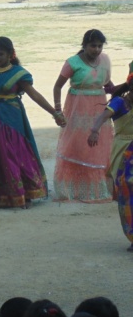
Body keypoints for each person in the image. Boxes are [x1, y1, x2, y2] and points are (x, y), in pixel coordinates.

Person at [0, 36, 66, 209]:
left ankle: (21, 195)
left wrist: (54, 112)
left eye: (0, 54)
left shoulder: (18, 73)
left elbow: (35, 95)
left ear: (10, 54)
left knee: (13, 154)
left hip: (12, 119)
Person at [53, 29, 114, 203]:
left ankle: (99, 188)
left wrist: (119, 96)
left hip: (99, 108)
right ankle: (74, 189)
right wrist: (58, 110)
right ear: (84, 45)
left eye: (99, 46)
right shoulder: (72, 63)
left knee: (99, 145)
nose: (96, 50)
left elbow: (107, 84)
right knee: (78, 144)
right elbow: (57, 86)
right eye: (92, 46)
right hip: (77, 108)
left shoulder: (105, 61)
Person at [88, 74, 133, 251]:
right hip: (124, 150)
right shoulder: (120, 103)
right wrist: (94, 130)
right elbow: (104, 115)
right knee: (127, 190)